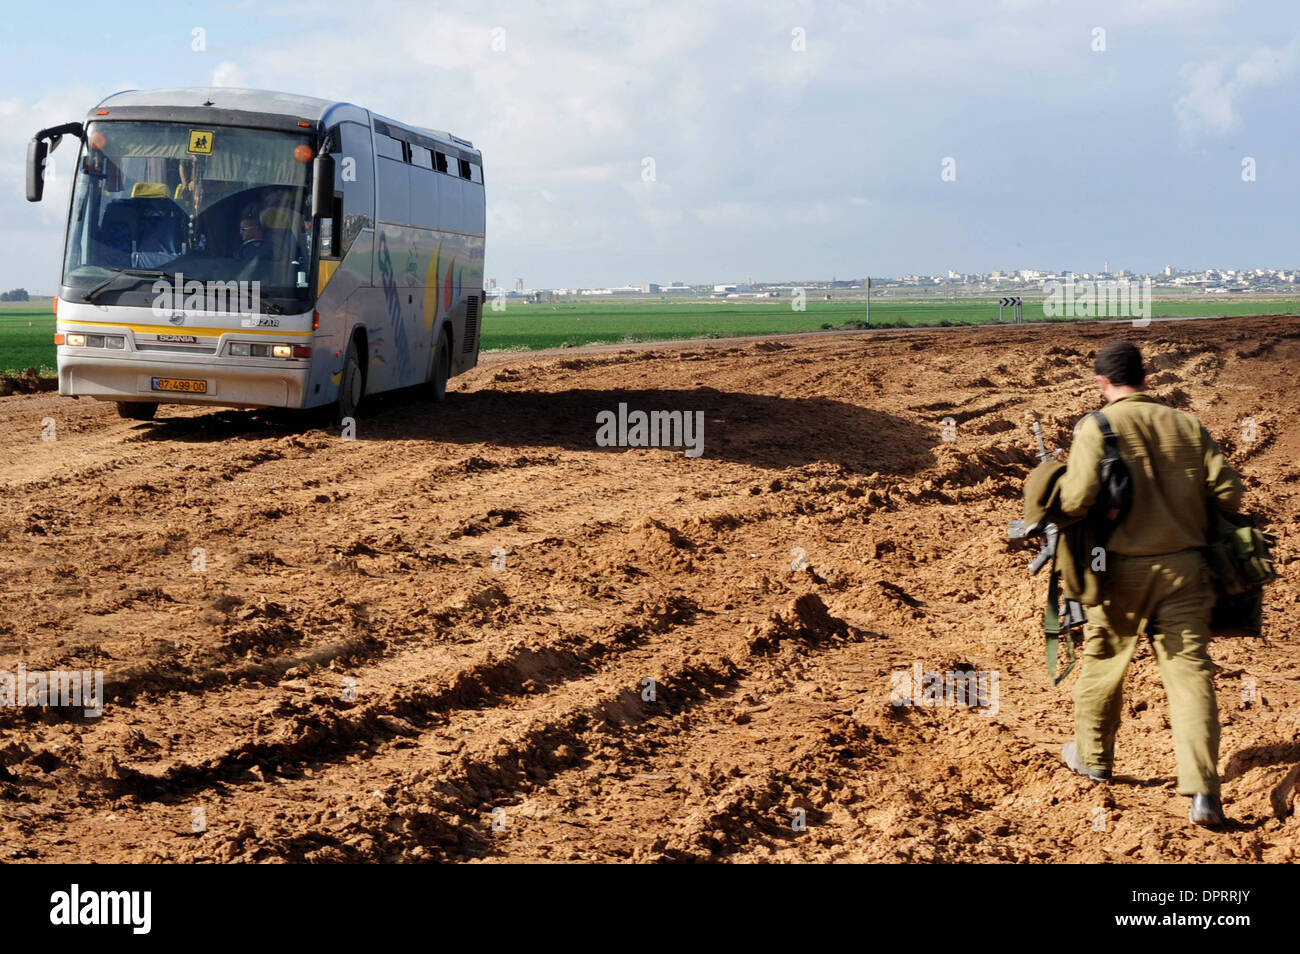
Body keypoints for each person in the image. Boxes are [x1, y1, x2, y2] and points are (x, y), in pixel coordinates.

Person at [1056, 340, 1243, 828]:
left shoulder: (1096, 426)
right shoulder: (1187, 424)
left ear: (1102, 382)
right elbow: (1228, 491)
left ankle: (1094, 759)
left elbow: (1075, 500)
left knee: (1103, 661)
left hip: (1119, 573)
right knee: (1190, 676)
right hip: (1186, 571)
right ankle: (1204, 791)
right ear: (1145, 377)